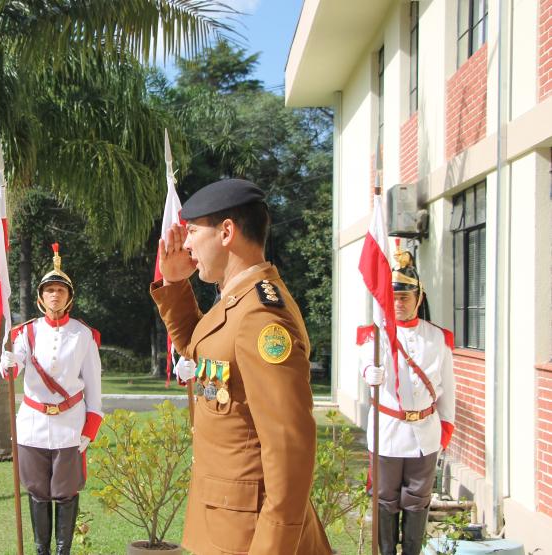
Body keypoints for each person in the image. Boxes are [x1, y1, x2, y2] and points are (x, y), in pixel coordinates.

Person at [152, 178, 331, 555]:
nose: (185, 244)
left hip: (250, 536)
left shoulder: (262, 317)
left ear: (227, 232)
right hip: (225, 525)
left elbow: (288, 449)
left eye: (193, 231)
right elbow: (197, 348)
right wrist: (173, 281)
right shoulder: (237, 302)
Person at [0, 244, 103, 555]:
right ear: (40, 297)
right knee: (37, 492)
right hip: (32, 424)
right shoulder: (25, 333)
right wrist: (8, 363)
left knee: (66, 493)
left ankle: (62, 551)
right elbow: (14, 367)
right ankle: (41, 550)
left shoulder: (83, 335)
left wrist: (90, 427)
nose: (54, 295)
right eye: (49, 290)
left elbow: (94, 387)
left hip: (70, 425)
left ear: (69, 297)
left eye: (59, 290)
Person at [357, 245, 456, 555]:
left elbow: (448, 387)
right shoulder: (376, 335)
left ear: (418, 298)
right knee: (385, 499)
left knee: (418, 500)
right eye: (394, 297)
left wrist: (446, 425)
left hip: (425, 432)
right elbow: (363, 363)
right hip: (388, 431)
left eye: (404, 297)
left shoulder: (437, 337)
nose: (398, 303)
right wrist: (368, 371)